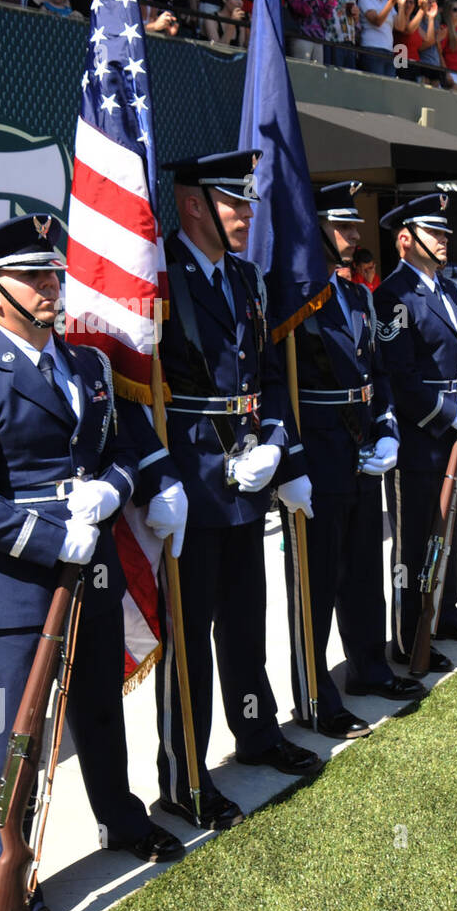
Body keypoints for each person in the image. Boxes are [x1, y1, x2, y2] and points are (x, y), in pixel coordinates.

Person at [0, 215, 184, 911]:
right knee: (18, 742)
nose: (51, 284)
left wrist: (116, 487)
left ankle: (122, 818)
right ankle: (12, 887)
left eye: (52, 271)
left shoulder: (86, 366)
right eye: (33, 275)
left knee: (101, 710)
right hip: (17, 588)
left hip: (93, 569)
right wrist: (49, 536)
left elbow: (118, 450)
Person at [155, 150, 322, 832]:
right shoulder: (160, 276)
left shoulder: (247, 278)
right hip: (191, 479)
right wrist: (156, 476)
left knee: (246, 620)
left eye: (249, 205)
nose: (247, 215)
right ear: (194, 204)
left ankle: (254, 731)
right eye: (234, 205)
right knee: (189, 634)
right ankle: (185, 775)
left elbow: (268, 377)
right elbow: (140, 387)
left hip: (247, 473)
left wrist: (282, 448)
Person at [287, 181, 425, 722]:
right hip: (319, 450)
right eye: (341, 227)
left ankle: (368, 666)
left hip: (363, 447)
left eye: (352, 226)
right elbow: (283, 384)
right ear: (314, 229)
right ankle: (315, 693)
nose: (353, 236)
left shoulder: (359, 295)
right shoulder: (292, 302)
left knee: (364, 570)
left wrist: (387, 427)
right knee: (318, 579)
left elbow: (379, 374)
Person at [374, 194, 457, 672]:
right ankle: (408, 635)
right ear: (406, 239)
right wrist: (448, 411)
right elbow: (397, 375)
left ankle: (444, 611)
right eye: (433, 231)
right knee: (414, 538)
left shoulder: (447, 286)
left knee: (447, 532)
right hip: (418, 434)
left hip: (451, 429)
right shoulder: (393, 295)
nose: (444, 239)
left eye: (445, 232)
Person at [357, 0, 401, 77]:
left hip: (388, 51)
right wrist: (392, 1)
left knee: (388, 88)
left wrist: (401, 4)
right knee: (375, 88)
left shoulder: (386, 1)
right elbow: (377, 21)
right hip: (372, 49)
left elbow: (399, 26)